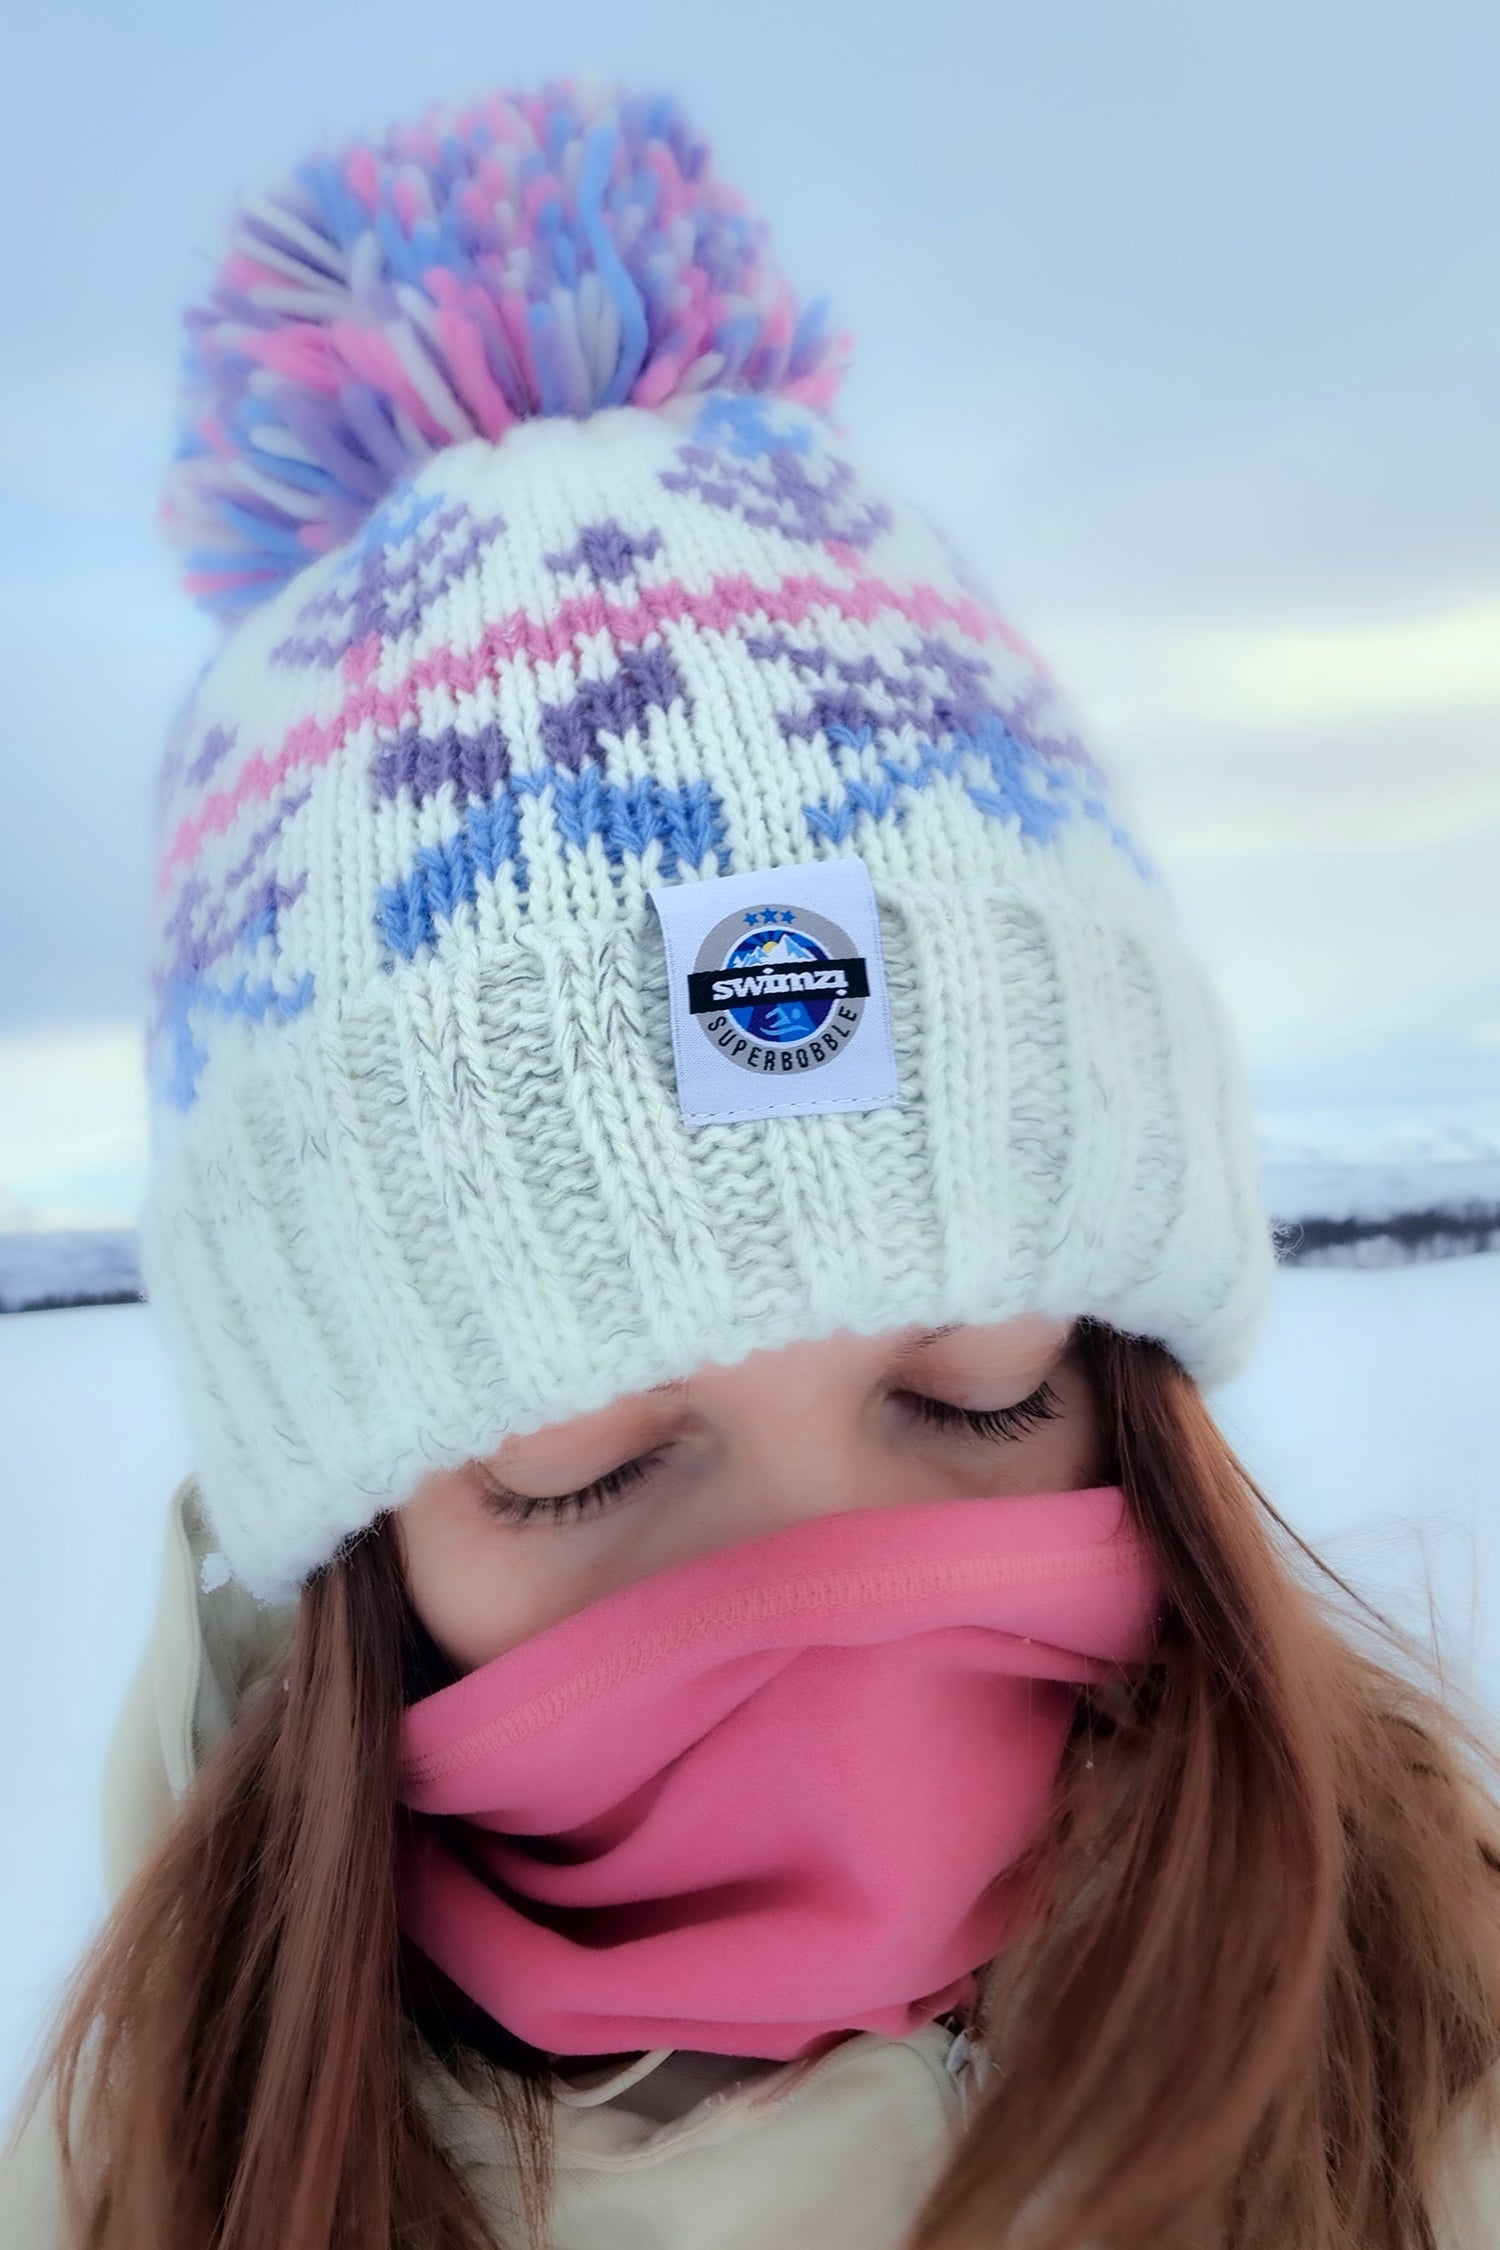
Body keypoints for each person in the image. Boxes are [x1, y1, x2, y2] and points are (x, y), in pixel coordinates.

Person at [3, 74, 1498, 2250]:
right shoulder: (155, 2183)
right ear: (349, 1549)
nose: (840, 1582)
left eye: (981, 1386)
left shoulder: (1435, 2046)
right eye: (583, 1463)